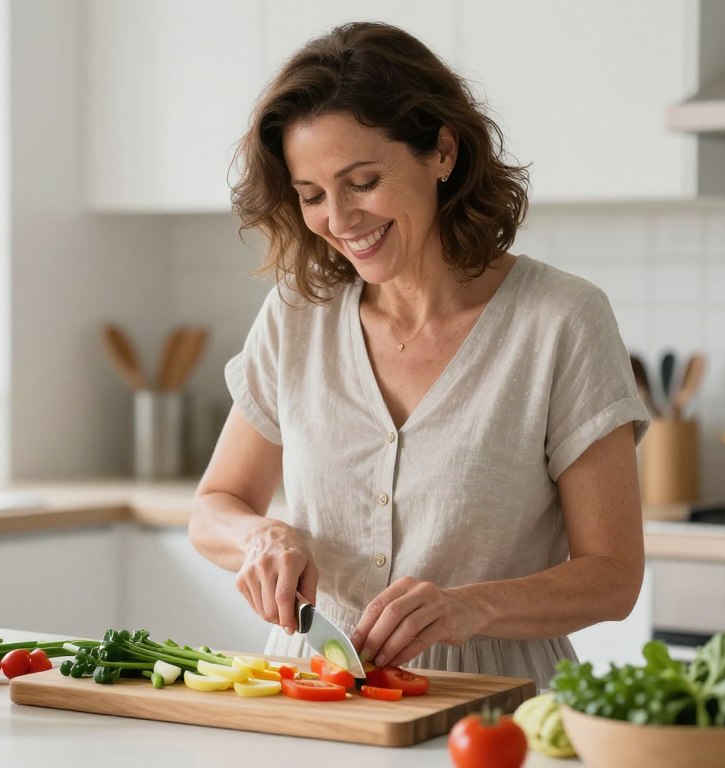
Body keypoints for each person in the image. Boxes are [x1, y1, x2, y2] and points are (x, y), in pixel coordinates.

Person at [188, 21, 651, 688]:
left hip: (494, 708)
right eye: (312, 195)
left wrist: (473, 605)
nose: (340, 219)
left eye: (363, 181)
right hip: (315, 697)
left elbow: (612, 578)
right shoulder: (297, 316)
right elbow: (215, 506)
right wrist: (259, 538)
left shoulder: (560, 320)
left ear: (441, 152)